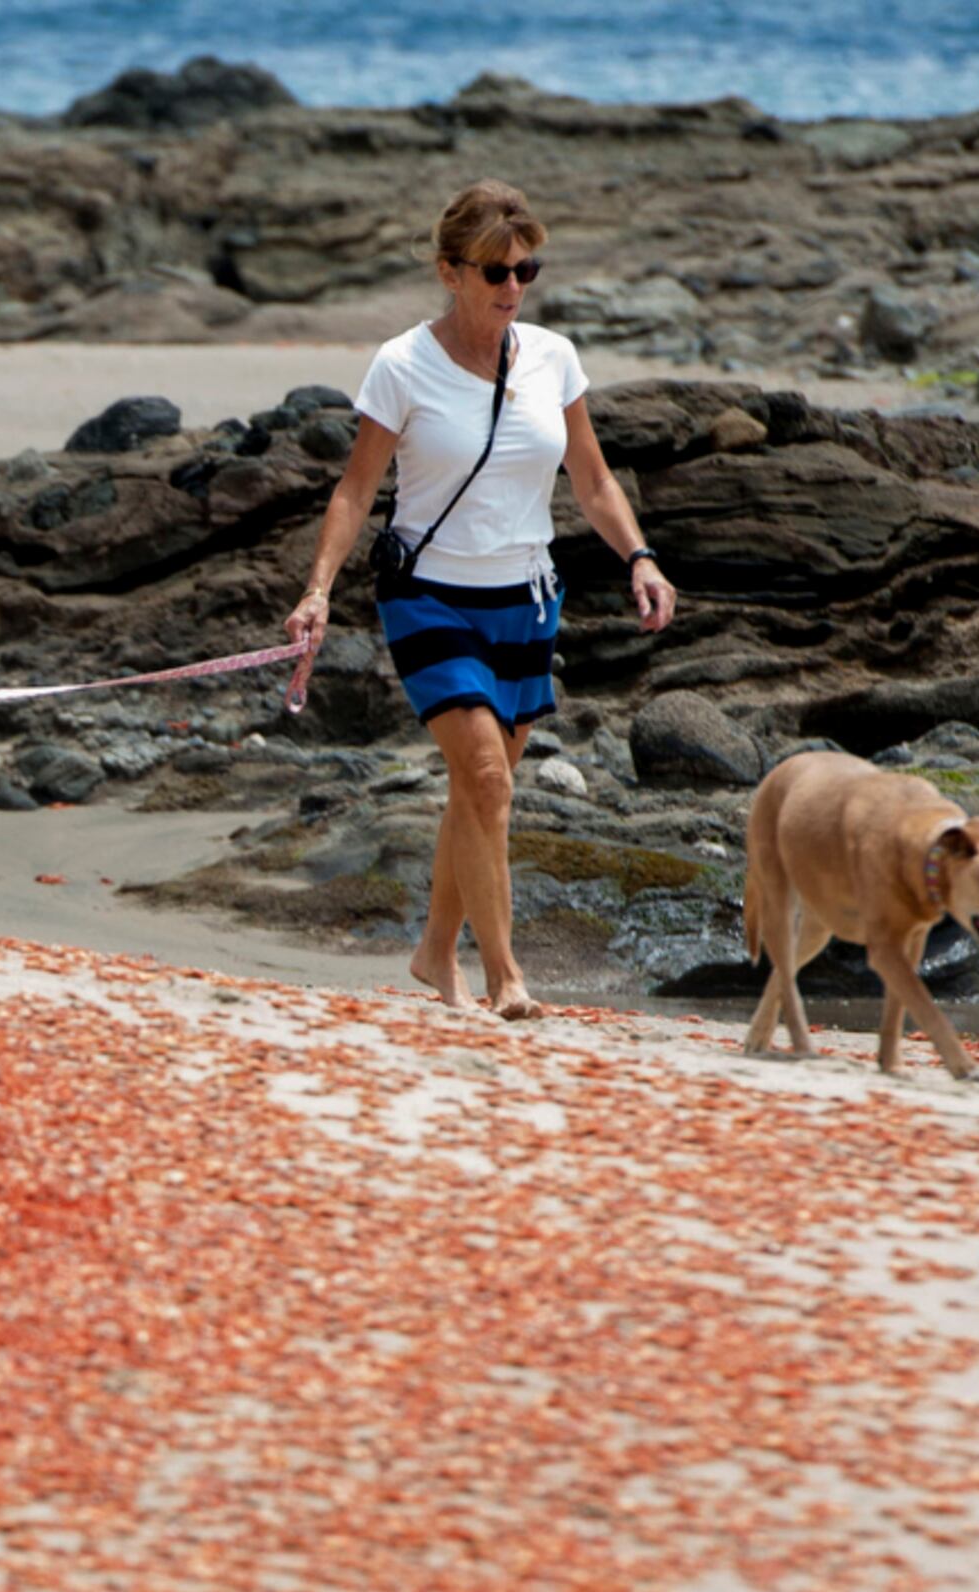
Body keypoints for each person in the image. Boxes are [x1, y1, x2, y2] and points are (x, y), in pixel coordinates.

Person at [286, 180, 678, 1016]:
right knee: (490, 780)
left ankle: (435, 953)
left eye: (525, 271)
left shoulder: (553, 358)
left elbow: (593, 477)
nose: (512, 288)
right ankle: (507, 977)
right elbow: (355, 491)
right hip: (429, 596)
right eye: (495, 272)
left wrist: (640, 557)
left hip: (525, 601)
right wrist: (317, 590)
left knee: (478, 789)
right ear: (449, 273)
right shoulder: (402, 365)